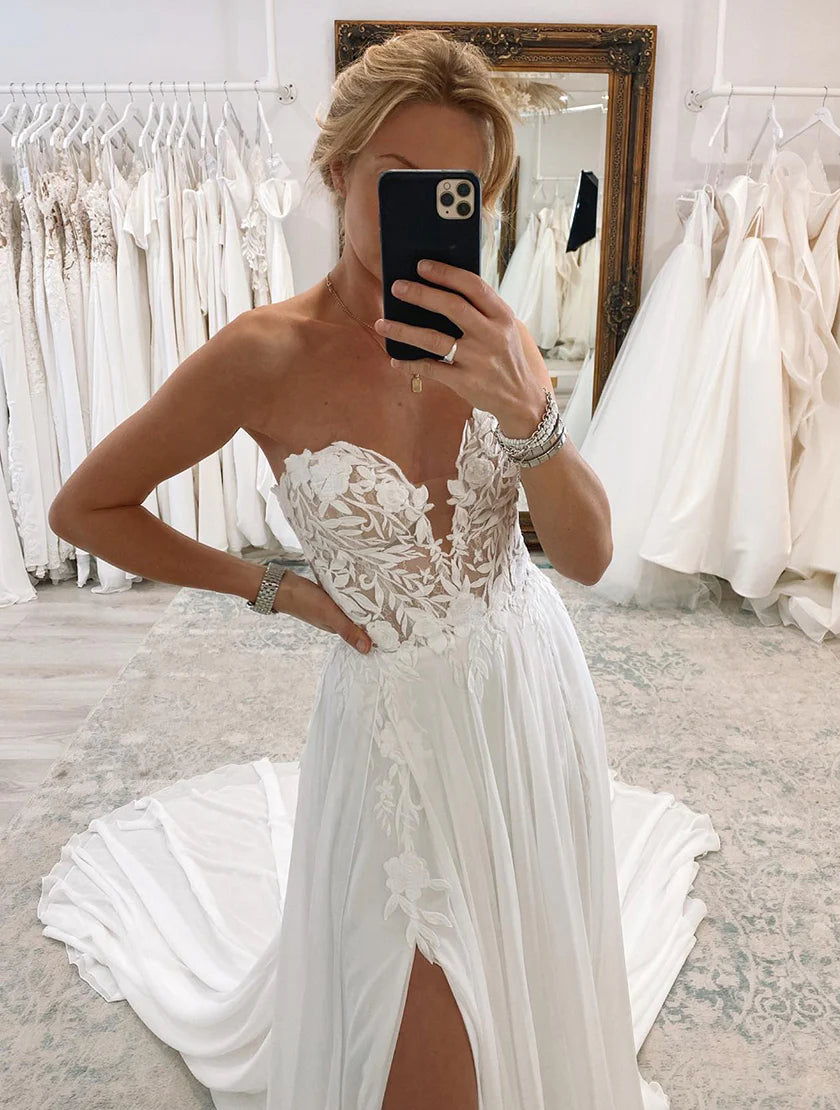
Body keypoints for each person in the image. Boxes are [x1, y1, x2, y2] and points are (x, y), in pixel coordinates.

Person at [47, 29, 665, 1110]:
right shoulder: (264, 353)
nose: (429, 205)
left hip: (524, 684)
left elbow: (590, 554)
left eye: (458, 187)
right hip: (393, 728)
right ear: (337, 171)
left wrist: (530, 415)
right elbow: (85, 508)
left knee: (519, 966)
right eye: (399, 176)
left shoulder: (498, 336)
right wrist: (275, 588)